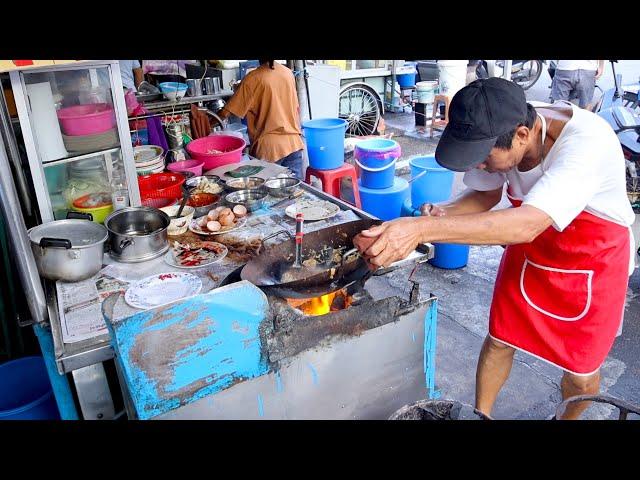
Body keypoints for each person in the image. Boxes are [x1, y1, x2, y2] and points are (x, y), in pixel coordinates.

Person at [354, 77, 635, 420]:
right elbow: (486, 194)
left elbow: (526, 223)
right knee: (501, 337)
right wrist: (445, 212)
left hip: (591, 257)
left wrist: (420, 230)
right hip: (532, 248)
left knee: (579, 370)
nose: (479, 165)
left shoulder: (586, 143)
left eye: (484, 157)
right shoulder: (504, 127)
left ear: (521, 135)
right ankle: (479, 415)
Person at [216, 60, 305, 179]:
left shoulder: (253, 78)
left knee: (268, 194)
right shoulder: (288, 73)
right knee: (295, 192)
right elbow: (296, 108)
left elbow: (226, 112)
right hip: (294, 144)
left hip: (269, 149)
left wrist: (208, 123)